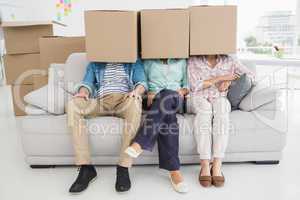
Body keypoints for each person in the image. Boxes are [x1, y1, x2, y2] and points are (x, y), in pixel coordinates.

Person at [67, 59, 147, 193]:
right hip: (101, 101)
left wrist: (137, 92)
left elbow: (142, 82)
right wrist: (83, 92)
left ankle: (123, 167)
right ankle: (86, 168)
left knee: (135, 103)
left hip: (124, 100)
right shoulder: (95, 62)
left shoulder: (133, 60)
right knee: (72, 105)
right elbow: (87, 83)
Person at [187, 55, 254, 188]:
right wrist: (221, 78)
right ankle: (205, 164)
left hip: (220, 96)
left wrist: (230, 83)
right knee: (205, 110)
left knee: (222, 108)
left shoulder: (230, 60)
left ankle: (217, 164)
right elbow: (195, 85)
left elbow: (250, 75)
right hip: (198, 97)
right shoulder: (193, 60)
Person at [125, 59, 189, 193]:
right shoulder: (148, 61)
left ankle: (140, 143)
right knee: (168, 116)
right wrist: (149, 92)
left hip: (175, 98)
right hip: (153, 100)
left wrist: (180, 91)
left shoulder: (182, 61)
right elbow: (143, 83)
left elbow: (186, 86)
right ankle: (174, 171)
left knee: (167, 95)